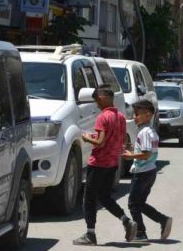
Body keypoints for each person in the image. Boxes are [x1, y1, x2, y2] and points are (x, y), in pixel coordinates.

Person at [74, 85, 137, 245]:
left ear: (103, 98)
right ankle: (126, 221)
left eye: (97, 101)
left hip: (98, 163)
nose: (97, 104)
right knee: (104, 197)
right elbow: (120, 139)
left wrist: (88, 138)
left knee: (89, 198)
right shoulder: (120, 117)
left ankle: (90, 234)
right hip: (112, 163)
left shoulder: (103, 117)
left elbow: (100, 142)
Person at [122, 100, 173, 242]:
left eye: (137, 114)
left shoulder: (144, 132)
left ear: (147, 115)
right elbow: (146, 150)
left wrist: (130, 155)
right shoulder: (151, 131)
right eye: (134, 114)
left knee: (133, 204)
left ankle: (140, 233)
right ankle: (163, 220)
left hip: (142, 172)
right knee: (139, 204)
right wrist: (133, 149)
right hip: (150, 172)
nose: (134, 117)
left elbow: (146, 154)